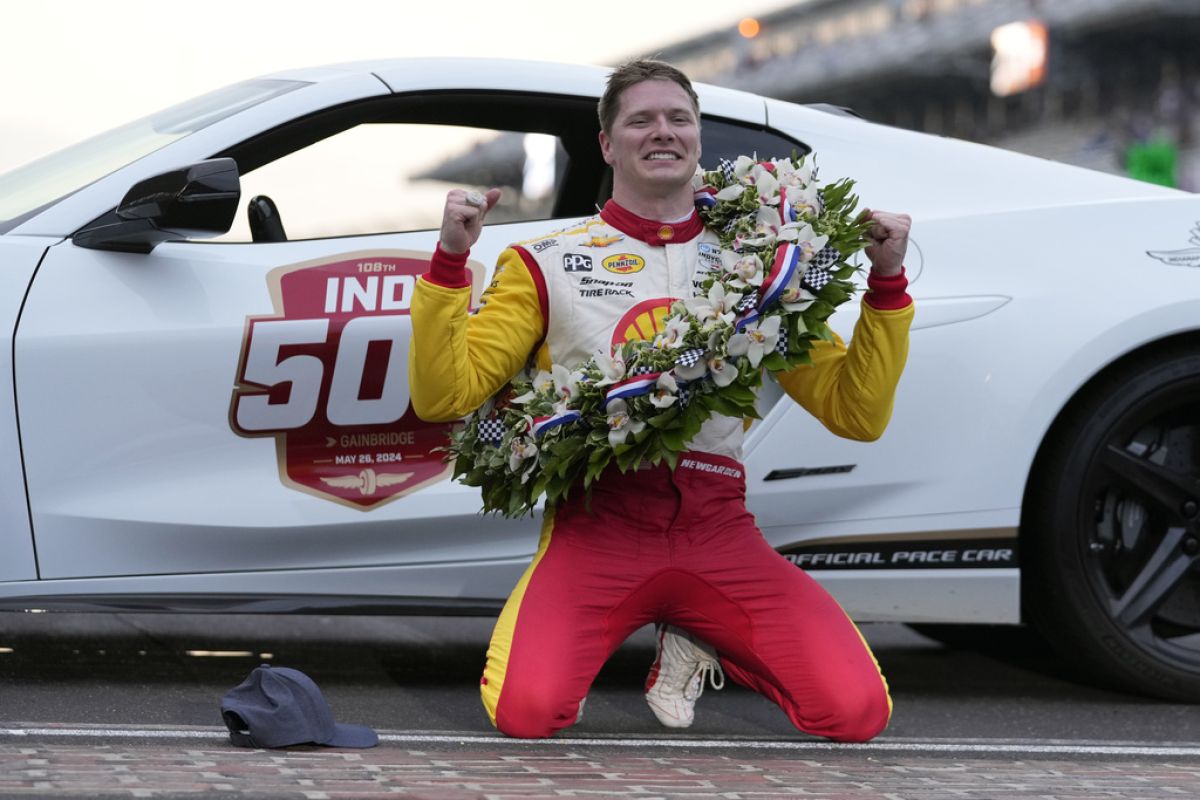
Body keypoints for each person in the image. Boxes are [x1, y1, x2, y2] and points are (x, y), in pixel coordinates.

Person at [408, 59, 914, 742]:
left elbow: (857, 413)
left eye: (679, 118)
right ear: (608, 146)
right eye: (640, 120)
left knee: (855, 715)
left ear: (699, 137)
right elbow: (446, 395)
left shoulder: (764, 265)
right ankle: (680, 631)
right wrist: (448, 264)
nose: (663, 132)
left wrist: (886, 288)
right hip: (599, 526)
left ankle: (699, 636)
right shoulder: (546, 261)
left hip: (718, 529)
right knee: (527, 715)